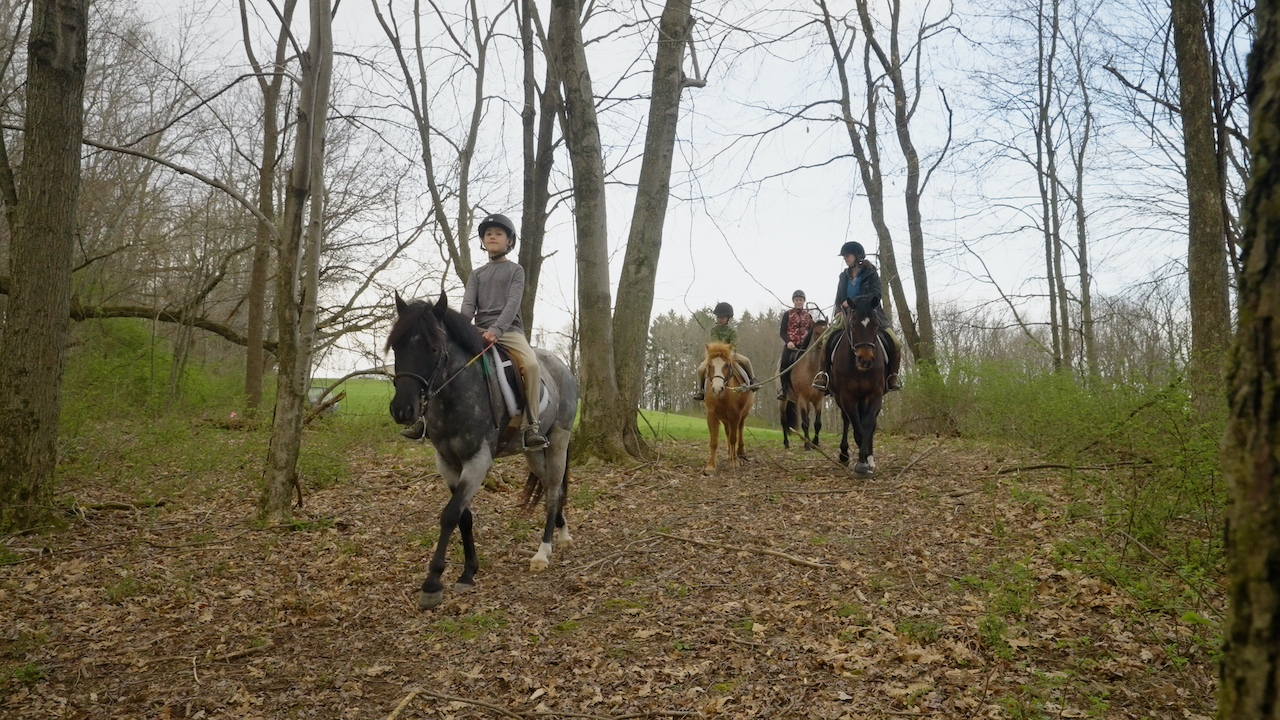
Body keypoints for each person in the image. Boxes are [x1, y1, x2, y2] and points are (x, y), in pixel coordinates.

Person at [403, 213, 549, 449]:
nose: (492, 237)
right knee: (443, 359)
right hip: (478, 329)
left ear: (509, 241)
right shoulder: (476, 275)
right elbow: (468, 306)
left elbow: (513, 304)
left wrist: (497, 329)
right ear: (483, 241)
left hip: (509, 331)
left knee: (531, 365)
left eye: (498, 234)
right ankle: (425, 419)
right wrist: (461, 328)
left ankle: (531, 426)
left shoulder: (516, 271)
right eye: (488, 234)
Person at [811, 241, 903, 393]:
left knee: (895, 342)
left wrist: (857, 301)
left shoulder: (871, 273)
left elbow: (877, 294)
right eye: (845, 257)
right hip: (848, 315)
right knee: (827, 340)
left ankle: (893, 375)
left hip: (870, 314)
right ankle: (824, 375)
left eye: (848, 256)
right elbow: (839, 297)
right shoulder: (843, 276)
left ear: (857, 256)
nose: (846, 259)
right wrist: (839, 310)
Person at [692, 302, 758, 401]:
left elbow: (734, 343)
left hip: (730, 355)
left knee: (746, 361)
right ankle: (700, 390)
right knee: (700, 369)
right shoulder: (714, 330)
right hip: (716, 355)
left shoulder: (732, 331)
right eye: (718, 317)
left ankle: (753, 380)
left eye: (722, 318)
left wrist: (732, 352)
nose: (720, 320)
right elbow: (715, 341)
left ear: (728, 318)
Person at [777, 290, 814, 401]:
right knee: (784, 364)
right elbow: (782, 331)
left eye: (801, 300)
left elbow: (812, 331)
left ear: (804, 301)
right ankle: (783, 389)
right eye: (797, 300)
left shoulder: (808, 316)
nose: (799, 302)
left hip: (805, 347)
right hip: (791, 346)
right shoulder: (787, 314)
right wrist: (788, 342)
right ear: (793, 301)